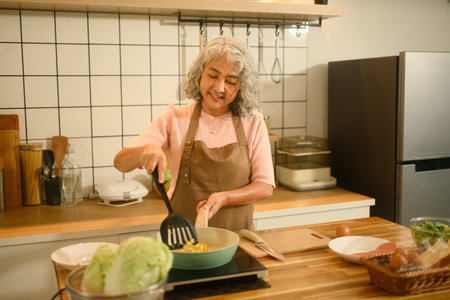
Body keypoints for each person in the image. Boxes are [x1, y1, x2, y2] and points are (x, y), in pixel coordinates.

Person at [114, 36, 275, 231]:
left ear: (241, 86)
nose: (219, 87)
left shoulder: (253, 122)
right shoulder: (175, 119)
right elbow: (120, 162)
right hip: (184, 243)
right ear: (200, 74)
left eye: (231, 81)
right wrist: (144, 151)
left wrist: (225, 198)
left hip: (239, 242)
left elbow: (265, 186)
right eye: (213, 76)